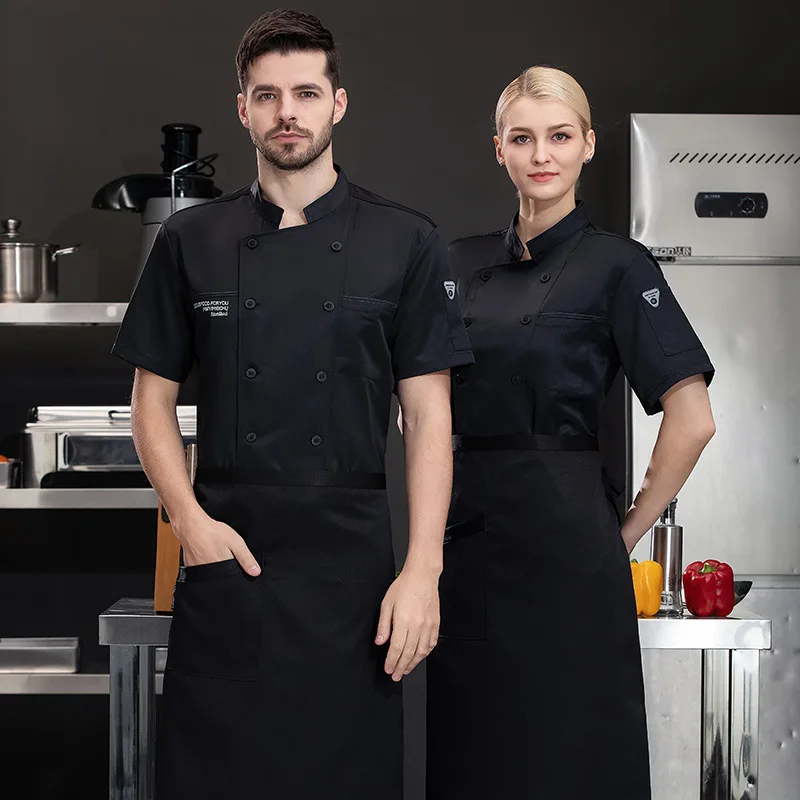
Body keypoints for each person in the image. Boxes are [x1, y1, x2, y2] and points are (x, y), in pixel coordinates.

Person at [111, 10, 473, 799]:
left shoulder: (405, 241)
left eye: (306, 92)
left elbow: (430, 422)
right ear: (243, 108)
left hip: (352, 574)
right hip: (229, 560)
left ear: (337, 103)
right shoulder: (191, 240)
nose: (288, 112)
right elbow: (151, 402)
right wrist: (189, 522)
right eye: (267, 95)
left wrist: (422, 569)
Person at [424, 66, 716, 799]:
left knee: (575, 755)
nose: (541, 154)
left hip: (570, 549)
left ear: (588, 146)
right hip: (469, 548)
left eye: (559, 136)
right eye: (522, 138)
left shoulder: (618, 265)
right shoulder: (455, 265)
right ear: (499, 150)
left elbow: (693, 418)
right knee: (474, 752)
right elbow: (418, 403)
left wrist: (621, 533)